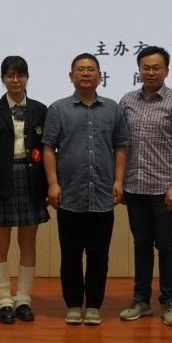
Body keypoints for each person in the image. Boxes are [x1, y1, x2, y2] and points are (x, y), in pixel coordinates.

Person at [44, 53, 129, 326]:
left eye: (91, 69)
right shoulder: (58, 109)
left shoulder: (113, 108)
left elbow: (121, 147)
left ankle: (93, 305)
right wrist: (53, 183)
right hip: (69, 194)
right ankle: (72, 304)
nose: (85, 73)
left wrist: (119, 180)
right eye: (80, 69)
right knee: (70, 256)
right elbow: (48, 148)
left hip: (102, 194)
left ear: (100, 76)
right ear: (71, 76)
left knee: (98, 256)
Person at [119, 46, 172, 327]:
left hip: (164, 187)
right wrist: (120, 181)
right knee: (141, 245)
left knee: (166, 246)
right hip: (135, 187)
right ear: (139, 70)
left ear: (167, 71)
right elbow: (122, 145)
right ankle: (140, 300)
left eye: (156, 68)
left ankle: (169, 301)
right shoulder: (127, 100)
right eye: (146, 68)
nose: (150, 72)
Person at [0, 56, 48, 324]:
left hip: (32, 179)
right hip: (2, 180)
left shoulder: (40, 109)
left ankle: (23, 299)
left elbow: (47, 150)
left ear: (27, 77)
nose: (16, 80)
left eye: (20, 75)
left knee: (28, 242)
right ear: (3, 79)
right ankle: (3, 300)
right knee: (1, 243)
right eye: (10, 75)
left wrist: (48, 185)